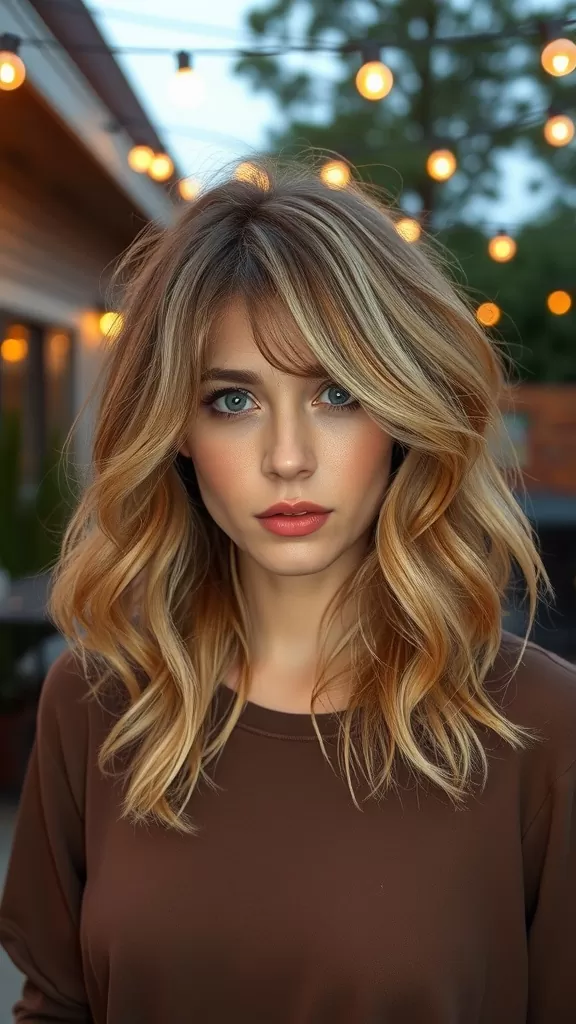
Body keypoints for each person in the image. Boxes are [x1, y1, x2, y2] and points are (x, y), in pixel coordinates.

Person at [1, 154, 575, 1024]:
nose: (288, 457)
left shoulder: (540, 725)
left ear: (404, 415)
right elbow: (56, 1007)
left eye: (338, 393)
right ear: (177, 431)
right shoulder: (95, 702)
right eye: (234, 400)